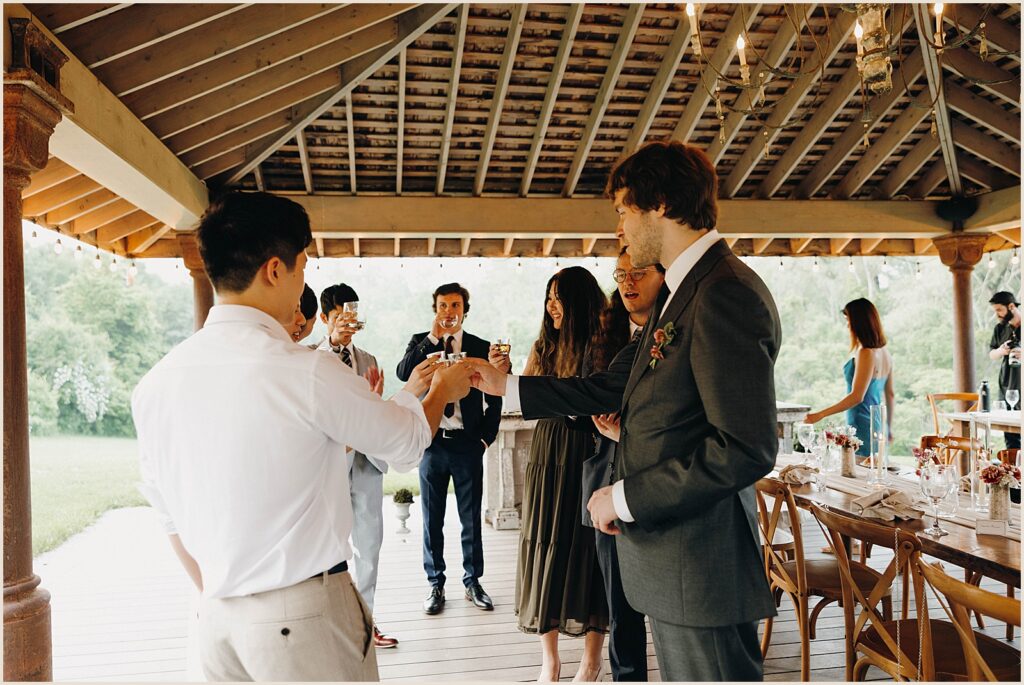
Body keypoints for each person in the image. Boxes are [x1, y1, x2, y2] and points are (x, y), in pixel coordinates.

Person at [468, 140, 781, 681]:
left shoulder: (724, 293)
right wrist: (509, 388)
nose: (619, 230)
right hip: (673, 561)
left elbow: (746, 447)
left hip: (700, 564)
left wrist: (625, 496)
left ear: (658, 203)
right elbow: (612, 384)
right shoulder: (681, 292)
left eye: (622, 211)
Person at [131, 191, 473, 681]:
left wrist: (225, 594)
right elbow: (402, 444)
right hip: (301, 617)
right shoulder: (306, 372)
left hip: (212, 621)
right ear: (275, 270)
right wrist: (440, 389)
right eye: (302, 267)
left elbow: (170, 522)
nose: (302, 283)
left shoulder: (155, 385)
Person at [510, 266, 610, 682]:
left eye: (559, 297)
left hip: (585, 451)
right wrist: (509, 372)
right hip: (547, 452)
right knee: (542, 542)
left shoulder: (601, 346)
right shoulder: (543, 346)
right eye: (548, 297)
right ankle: (549, 658)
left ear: (579, 301)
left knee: (587, 548)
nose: (551, 305)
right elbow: (528, 396)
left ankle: (591, 659)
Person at [396, 283, 502, 615]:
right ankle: (435, 585)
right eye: (442, 306)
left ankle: (473, 582)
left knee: (470, 518)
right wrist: (430, 338)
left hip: (468, 444)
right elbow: (403, 373)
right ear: (435, 310)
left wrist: (486, 437)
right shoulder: (420, 343)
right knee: (432, 520)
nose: (448, 312)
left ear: (464, 309)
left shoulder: (479, 347)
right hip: (431, 444)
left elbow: (495, 392)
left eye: (454, 305)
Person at [317, 283, 398, 649]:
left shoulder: (370, 359)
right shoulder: (312, 359)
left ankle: (366, 621)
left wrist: (376, 401)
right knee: (331, 545)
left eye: (352, 316)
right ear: (324, 319)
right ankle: (332, 624)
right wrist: (332, 346)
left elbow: (374, 414)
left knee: (370, 545)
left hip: (366, 461)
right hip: (330, 463)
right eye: (339, 318)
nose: (347, 324)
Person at [805, 298, 895, 457]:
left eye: (849, 320)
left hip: (862, 425)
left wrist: (820, 414)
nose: (847, 325)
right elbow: (890, 394)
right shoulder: (885, 352)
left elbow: (856, 396)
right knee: (875, 472)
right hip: (878, 425)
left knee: (860, 474)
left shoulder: (866, 353)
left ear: (859, 322)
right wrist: (889, 427)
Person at [988, 291, 1021, 449]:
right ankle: (1013, 472)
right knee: (1010, 436)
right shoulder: (999, 329)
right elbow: (992, 354)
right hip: (1007, 384)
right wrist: (1001, 351)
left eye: (999, 310)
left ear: (1011, 306)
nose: (997, 314)